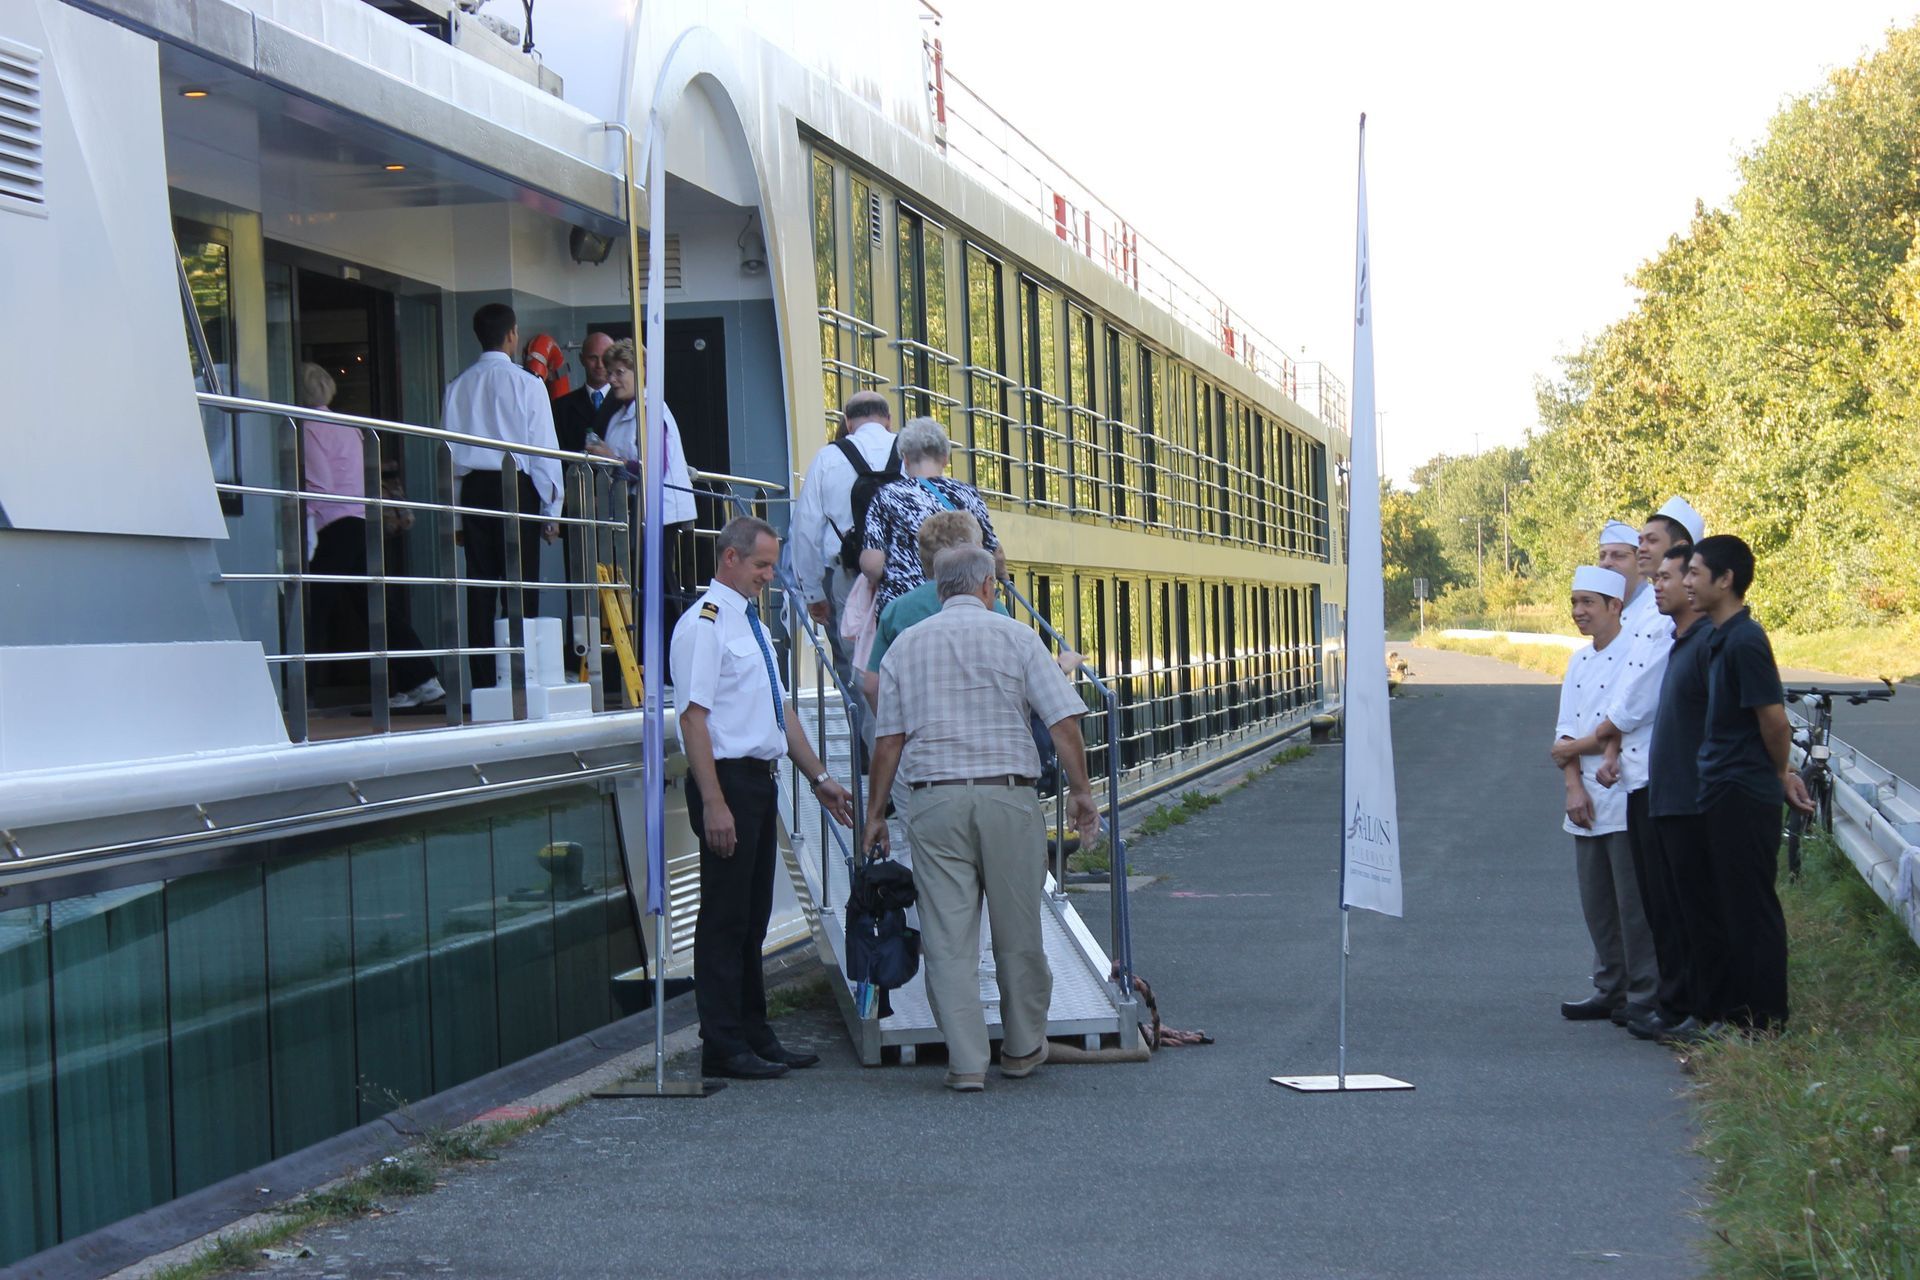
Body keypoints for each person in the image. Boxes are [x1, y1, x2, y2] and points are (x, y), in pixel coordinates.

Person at [863, 546, 1101, 1092]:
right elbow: (1062, 722)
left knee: (947, 939)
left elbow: (888, 742)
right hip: (1007, 798)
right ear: (988, 586)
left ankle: (967, 1063)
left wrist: (875, 815)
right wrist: (1082, 792)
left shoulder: (904, 647)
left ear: (939, 588)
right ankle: (1021, 1048)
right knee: (1019, 932)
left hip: (934, 802)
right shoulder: (1018, 637)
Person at [672, 516, 854, 1080]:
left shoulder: (748, 623)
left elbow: (781, 711)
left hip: (756, 781)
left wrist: (819, 778)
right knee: (725, 919)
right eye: (762, 565)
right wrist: (713, 802)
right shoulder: (705, 624)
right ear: (730, 558)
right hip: (726, 781)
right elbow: (693, 719)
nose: (769, 576)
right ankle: (722, 1043)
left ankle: (754, 1033)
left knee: (751, 919)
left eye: (772, 566)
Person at [1684, 534, 1813, 1032]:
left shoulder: (1745, 639)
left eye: (1695, 572)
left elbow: (1774, 722)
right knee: (1729, 905)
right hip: (1722, 787)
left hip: (1743, 790)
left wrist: (1780, 774)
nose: (1687, 581)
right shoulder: (1720, 637)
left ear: (1725, 579)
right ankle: (1741, 1013)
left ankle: (1766, 1019)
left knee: (1751, 907)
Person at [1589, 500, 1703, 1039]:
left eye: (1650, 541)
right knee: (1655, 899)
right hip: (1635, 768)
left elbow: (1639, 692)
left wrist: (1606, 730)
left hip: (1663, 772)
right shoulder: (1644, 608)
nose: (1640, 550)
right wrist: (1611, 744)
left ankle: (1670, 1000)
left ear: (1680, 549)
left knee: (1666, 899)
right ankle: (1664, 1000)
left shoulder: (1674, 616)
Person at [298, 362, 444, 709]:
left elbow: (319, 484)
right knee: (375, 605)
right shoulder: (350, 427)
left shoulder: (307, 427)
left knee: (313, 607)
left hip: (333, 524)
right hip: (361, 520)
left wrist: (305, 526)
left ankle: (300, 691)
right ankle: (422, 680)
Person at [1549, 563, 1659, 1026]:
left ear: (1616, 606)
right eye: (1575, 602)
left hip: (1622, 788)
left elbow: (1618, 724)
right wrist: (1573, 786)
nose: (1579, 611)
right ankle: (1609, 987)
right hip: (1585, 797)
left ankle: (1644, 993)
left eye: (1588, 603)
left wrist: (1572, 749)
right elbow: (1565, 732)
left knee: (1632, 904)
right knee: (1596, 903)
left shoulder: (1638, 653)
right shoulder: (1578, 660)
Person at [444, 303, 563, 690]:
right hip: (517, 489)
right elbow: (543, 451)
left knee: (480, 587)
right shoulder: (528, 384)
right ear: (512, 335)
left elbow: (450, 457)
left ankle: (483, 683)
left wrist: (456, 517)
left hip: (474, 489)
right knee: (521, 585)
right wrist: (552, 510)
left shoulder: (457, 387)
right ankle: (521, 674)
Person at [1641, 543, 1725, 1045]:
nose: (1660, 586)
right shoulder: (1682, 642)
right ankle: (1683, 1006)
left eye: (1670, 577)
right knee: (1677, 914)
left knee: (1701, 914)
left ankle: (1708, 1011)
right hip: (1670, 799)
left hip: (1695, 802)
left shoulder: (1710, 644)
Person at [588, 339, 697, 633]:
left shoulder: (650, 409)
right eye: (610, 372)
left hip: (659, 512)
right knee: (645, 585)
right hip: (634, 512)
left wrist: (612, 459)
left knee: (660, 586)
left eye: (620, 372)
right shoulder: (621, 414)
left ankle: (674, 648)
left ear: (642, 372)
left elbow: (655, 466)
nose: (612, 379)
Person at [790, 390, 899, 653]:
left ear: (848, 423)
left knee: (853, 662)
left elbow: (805, 528)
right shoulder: (910, 453)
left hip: (848, 573)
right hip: (904, 573)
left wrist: (813, 592)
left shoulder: (828, 458)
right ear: (888, 419)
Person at [861, 417, 1001, 615]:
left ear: (905, 460)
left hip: (905, 607)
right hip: (964, 603)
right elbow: (994, 552)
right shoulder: (967, 495)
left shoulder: (887, 496)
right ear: (945, 458)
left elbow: (871, 564)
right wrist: (1003, 578)